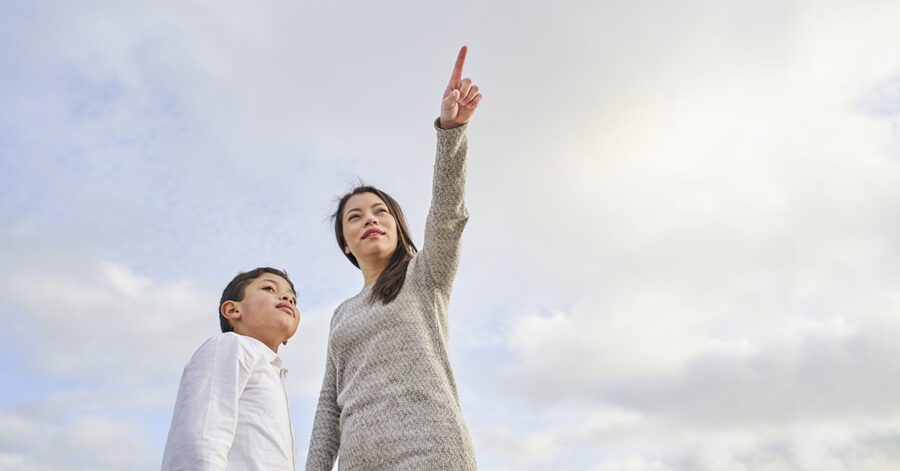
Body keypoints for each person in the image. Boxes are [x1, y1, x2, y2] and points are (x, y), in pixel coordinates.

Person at [305, 45, 482, 470]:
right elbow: (329, 410)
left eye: (380, 211)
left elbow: (447, 216)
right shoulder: (341, 315)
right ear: (346, 244)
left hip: (431, 455)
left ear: (398, 227)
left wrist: (450, 132)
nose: (370, 220)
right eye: (355, 217)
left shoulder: (424, 278)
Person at [162, 267, 301, 471]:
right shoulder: (230, 346)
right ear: (233, 310)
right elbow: (202, 433)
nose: (287, 298)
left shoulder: (272, 372)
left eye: (293, 299)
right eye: (269, 288)